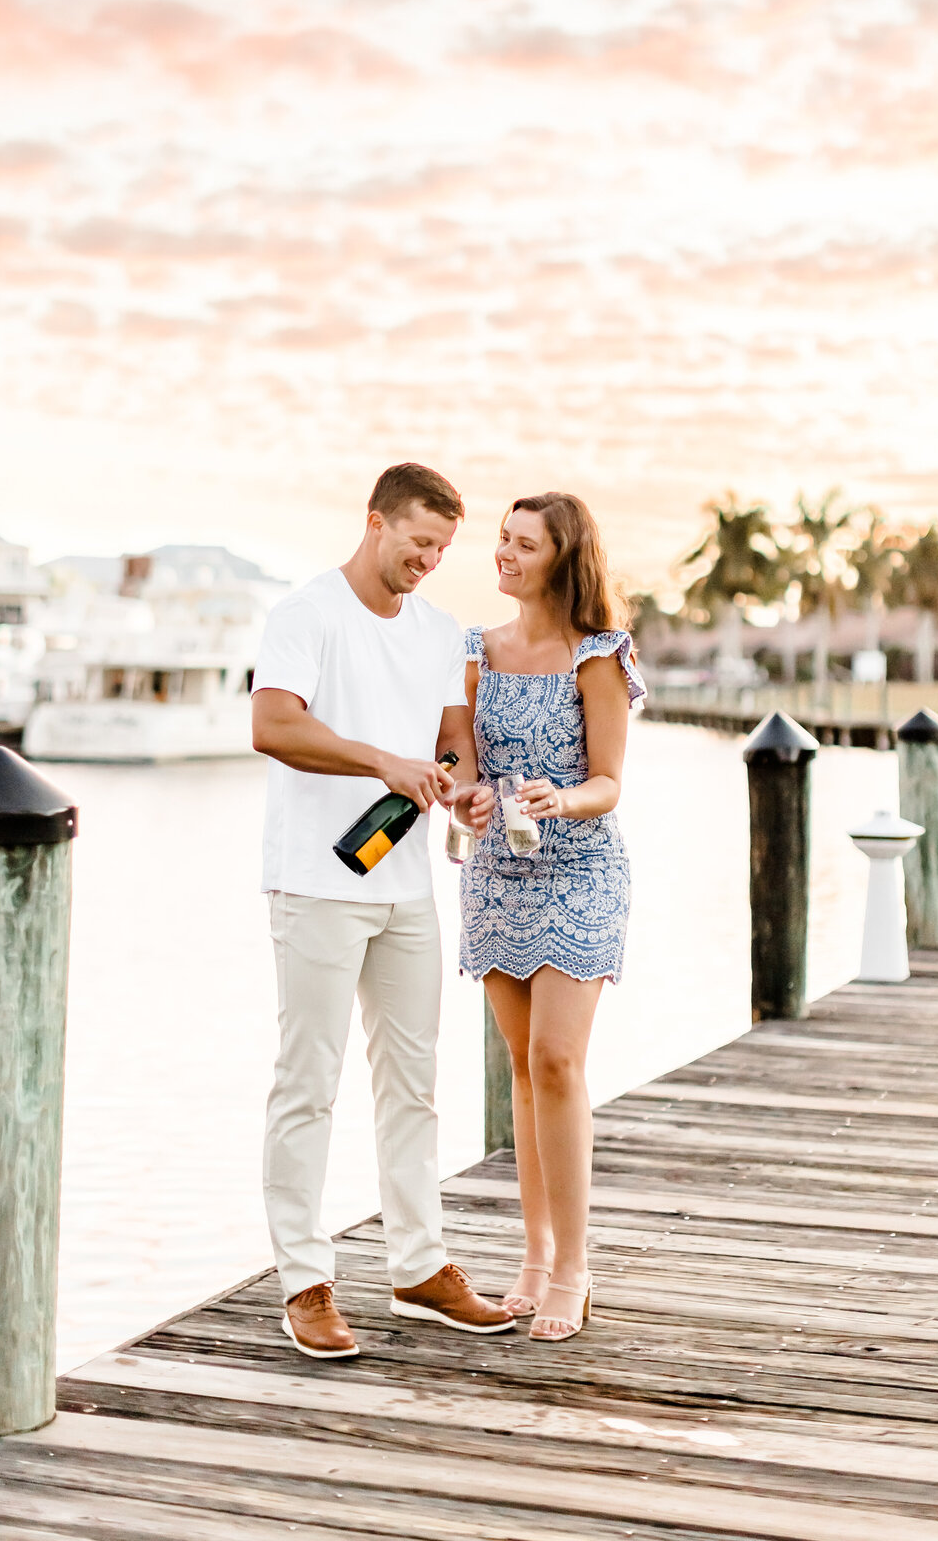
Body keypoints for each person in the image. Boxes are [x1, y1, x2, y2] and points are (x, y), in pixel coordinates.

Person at [252, 462, 510, 1360]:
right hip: (314, 884)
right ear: (375, 523)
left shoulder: (440, 631)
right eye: (418, 543)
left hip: (404, 888)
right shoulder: (307, 615)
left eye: (442, 549)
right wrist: (382, 763)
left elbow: (450, 735)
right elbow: (273, 727)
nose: (429, 562)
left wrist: (466, 787)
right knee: (308, 1084)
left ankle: (419, 1268)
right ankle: (304, 1283)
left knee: (414, 1084)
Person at [460, 492, 645, 1342]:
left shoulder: (598, 654)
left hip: (581, 867)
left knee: (559, 1060)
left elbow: (609, 781)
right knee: (522, 1069)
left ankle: (575, 1265)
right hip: (498, 873)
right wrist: (463, 802)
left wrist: (561, 798)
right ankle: (532, 1257)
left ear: (561, 558)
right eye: (502, 539)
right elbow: (461, 763)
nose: (503, 553)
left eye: (522, 544)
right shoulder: (475, 652)